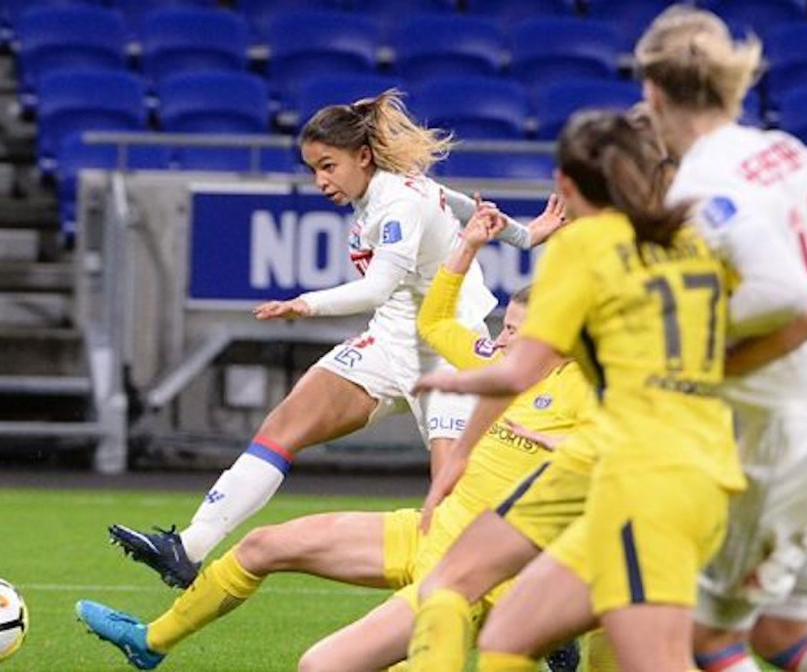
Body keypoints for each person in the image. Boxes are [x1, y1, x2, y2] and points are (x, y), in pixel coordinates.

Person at [74, 201, 590, 672]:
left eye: (515, 332)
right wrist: (469, 245)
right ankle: (151, 641)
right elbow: (433, 321)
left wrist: (568, 450)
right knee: (263, 545)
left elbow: (622, 461)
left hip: (478, 571)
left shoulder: (584, 391)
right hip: (427, 533)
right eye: (503, 326)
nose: (500, 339)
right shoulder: (495, 365)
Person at [106, 90, 563, 590]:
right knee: (285, 425)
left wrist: (306, 304)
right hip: (388, 344)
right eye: (313, 170)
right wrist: (527, 236)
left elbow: (376, 288)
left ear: (362, 157)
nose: (321, 181)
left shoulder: (399, 205)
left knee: (452, 502)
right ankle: (188, 547)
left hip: (445, 355)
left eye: (328, 166)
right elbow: (466, 208)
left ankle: (525, 594)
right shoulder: (398, 189)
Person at [409, 108, 745, 672]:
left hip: (642, 472)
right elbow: (769, 332)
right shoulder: (697, 242)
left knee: (649, 651)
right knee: (500, 624)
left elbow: (517, 373)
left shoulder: (585, 248)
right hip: (685, 463)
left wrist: (450, 386)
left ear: (565, 183)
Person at [635, 7, 807, 672]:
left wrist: (699, 357)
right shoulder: (779, 151)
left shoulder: (700, 187)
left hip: (793, 438)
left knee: (711, 639)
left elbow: (784, 295)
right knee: (781, 630)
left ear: (652, 93)